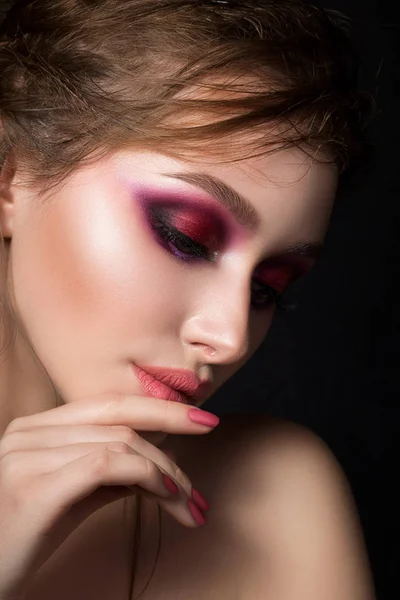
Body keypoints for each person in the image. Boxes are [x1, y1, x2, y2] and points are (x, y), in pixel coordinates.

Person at [0, 0, 377, 598]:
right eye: (185, 238)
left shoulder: (277, 497)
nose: (228, 337)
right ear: (11, 175)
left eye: (267, 289)